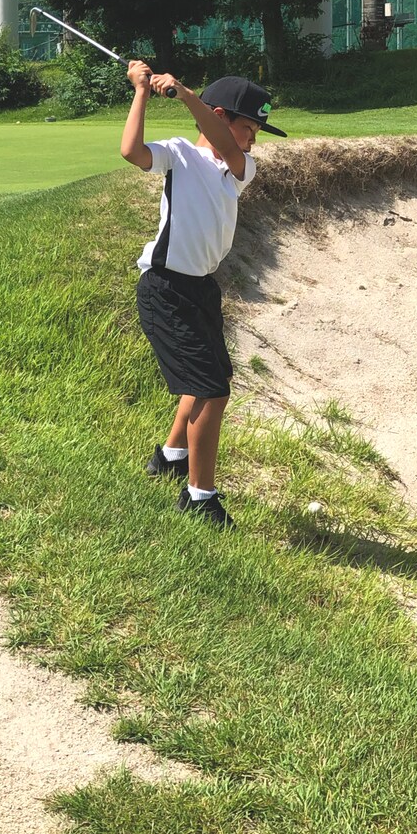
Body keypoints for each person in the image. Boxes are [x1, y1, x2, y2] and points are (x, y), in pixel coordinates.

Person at [120, 66, 287, 527]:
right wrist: (142, 92)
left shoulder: (238, 169)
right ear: (220, 115)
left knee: (211, 380)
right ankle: (199, 498)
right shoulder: (178, 153)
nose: (252, 139)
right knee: (212, 390)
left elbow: (228, 147)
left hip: (201, 288)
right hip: (165, 288)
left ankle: (172, 457)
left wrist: (184, 94)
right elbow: (131, 151)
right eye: (249, 127)